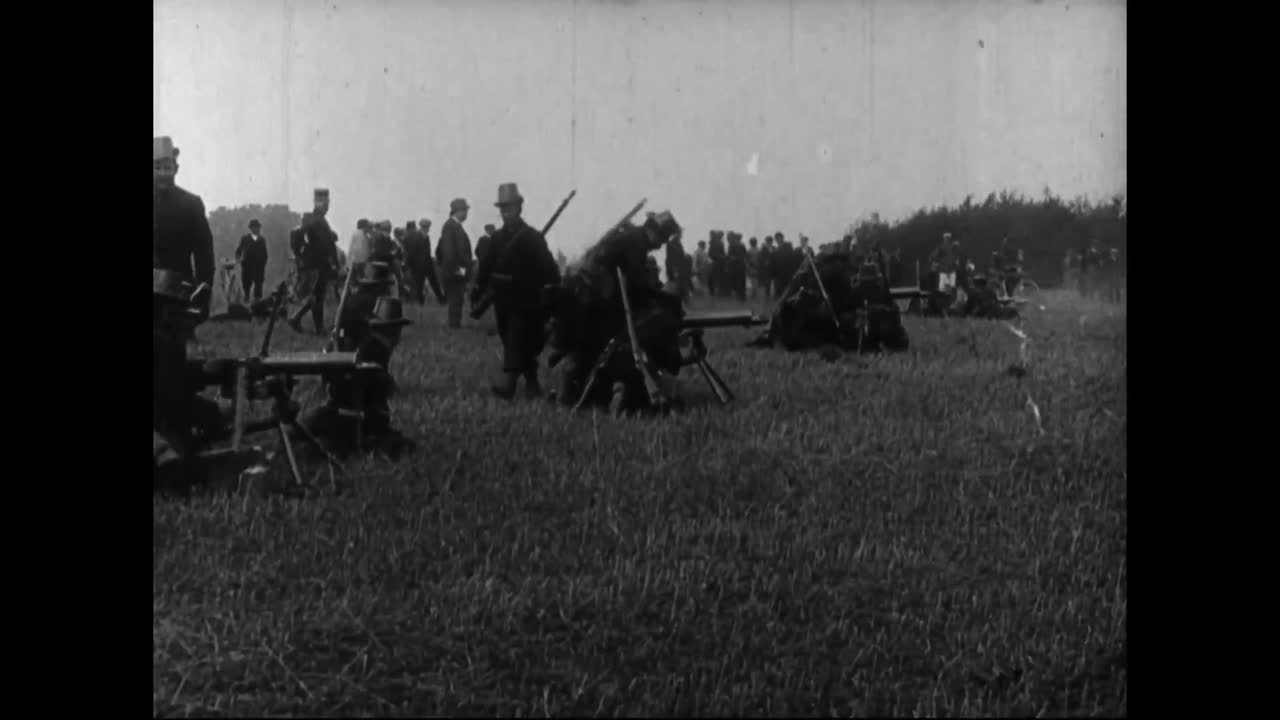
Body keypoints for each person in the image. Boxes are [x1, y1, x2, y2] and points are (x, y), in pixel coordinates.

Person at [548, 210, 685, 413]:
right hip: (595, 305)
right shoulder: (637, 243)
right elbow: (637, 288)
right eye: (662, 239)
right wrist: (664, 300)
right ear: (654, 231)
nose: (660, 245)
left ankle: (570, 399)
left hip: (583, 303)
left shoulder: (626, 236)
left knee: (584, 354)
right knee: (613, 350)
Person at [298, 277, 415, 460]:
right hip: (351, 421)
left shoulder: (365, 345)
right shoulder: (375, 353)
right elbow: (377, 410)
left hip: (331, 412)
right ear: (394, 332)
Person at [473, 183, 561, 399]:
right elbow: (486, 267)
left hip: (527, 301)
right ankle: (532, 385)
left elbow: (550, 270)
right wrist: (478, 289)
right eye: (502, 209)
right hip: (502, 301)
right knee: (513, 340)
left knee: (517, 338)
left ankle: (509, 383)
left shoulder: (533, 237)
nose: (506, 213)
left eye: (509, 208)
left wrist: (549, 295)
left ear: (520, 208)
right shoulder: (496, 239)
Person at [153, 136, 214, 322]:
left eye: (167, 168)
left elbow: (204, 252)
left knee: (172, 347)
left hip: (178, 293)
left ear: (176, 169)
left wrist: (204, 287)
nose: (163, 173)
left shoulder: (191, 204)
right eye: (157, 167)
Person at [286, 188, 340, 334]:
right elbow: (296, 236)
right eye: (324, 203)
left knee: (317, 295)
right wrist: (301, 255)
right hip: (316, 265)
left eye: (327, 203)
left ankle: (296, 318)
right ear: (318, 203)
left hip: (319, 264)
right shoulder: (314, 219)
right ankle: (319, 328)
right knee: (317, 297)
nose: (327, 206)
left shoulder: (319, 220)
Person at [437, 198, 475, 327]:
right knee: (455, 299)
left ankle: (455, 325)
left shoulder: (454, 226)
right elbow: (448, 253)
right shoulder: (450, 226)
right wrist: (459, 270)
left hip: (455, 270)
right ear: (458, 211)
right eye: (465, 210)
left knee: (457, 299)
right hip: (454, 271)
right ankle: (454, 326)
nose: (466, 214)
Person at [235, 219, 269, 303]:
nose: (256, 229)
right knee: (246, 284)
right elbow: (239, 250)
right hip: (247, 265)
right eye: (254, 227)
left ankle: (257, 301)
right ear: (251, 228)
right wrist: (238, 259)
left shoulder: (262, 239)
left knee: (258, 284)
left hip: (259, 265)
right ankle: (246, 298)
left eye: (257, 227)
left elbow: (265, 253)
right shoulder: (245, 238)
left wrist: (263, 263)